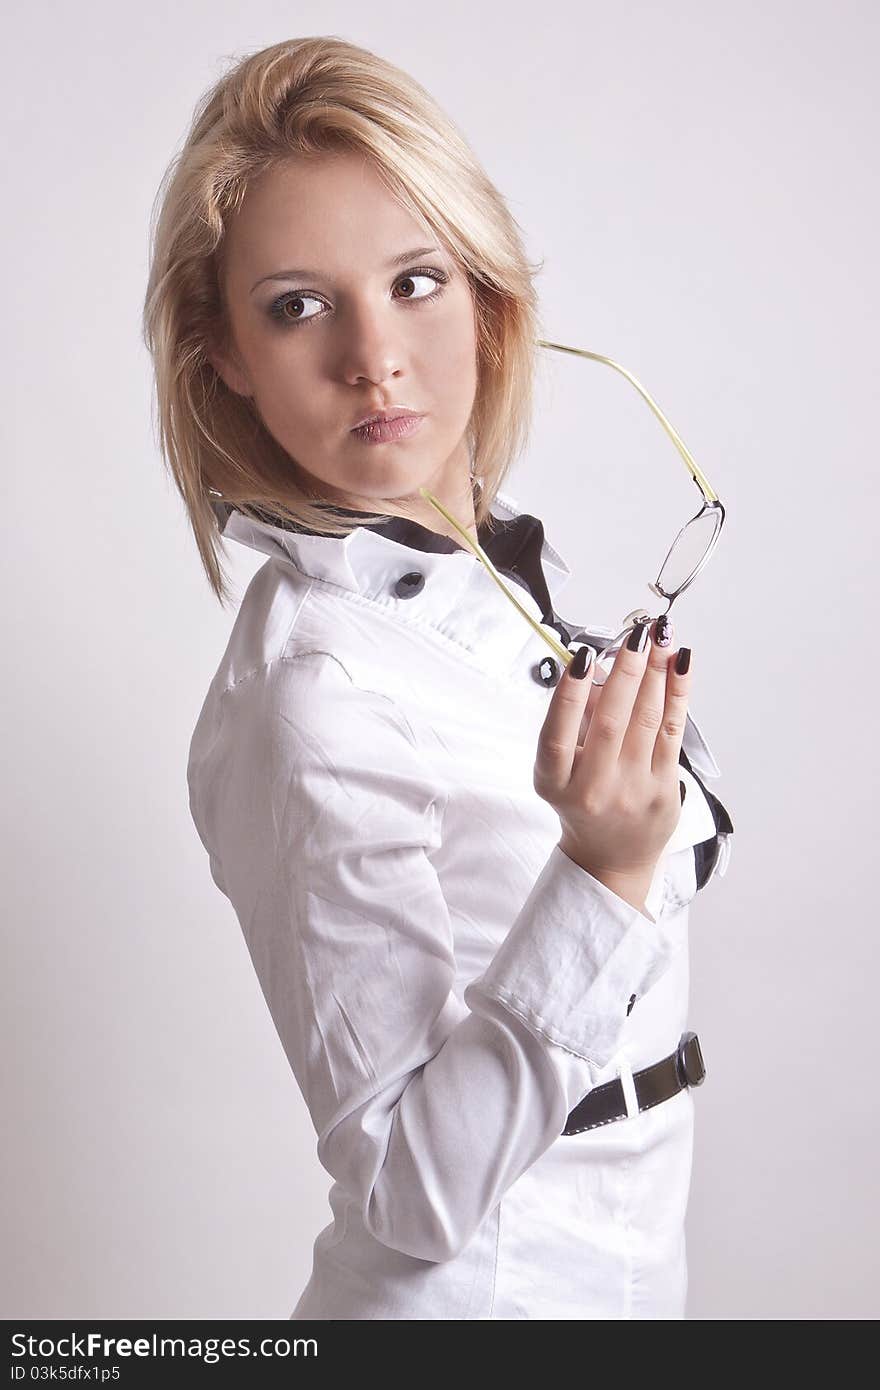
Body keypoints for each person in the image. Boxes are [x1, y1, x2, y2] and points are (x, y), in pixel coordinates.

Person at [142, 35, 734, 1320]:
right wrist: (600, 871)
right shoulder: (313, 690)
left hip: (634, 1267)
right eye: (298, 305)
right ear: (224, 352)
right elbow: (406, 1188)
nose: (376, 356)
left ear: (481, 288)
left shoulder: (500, 572)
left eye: (414, 280)